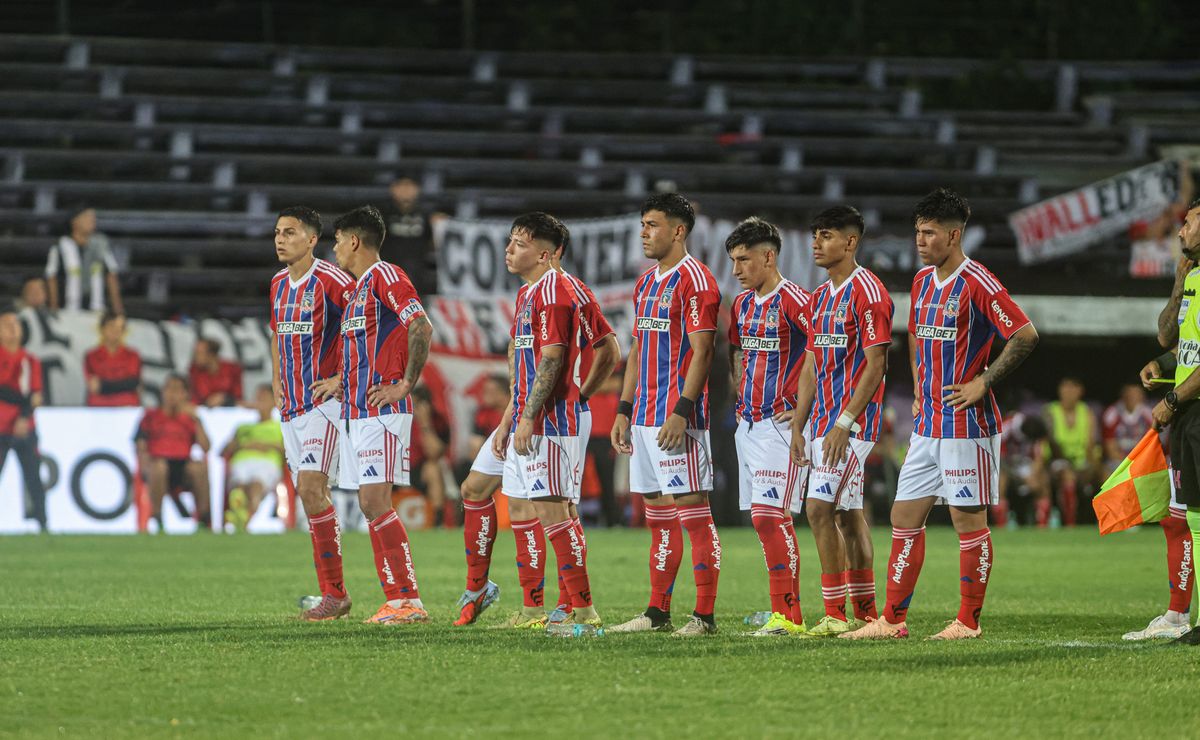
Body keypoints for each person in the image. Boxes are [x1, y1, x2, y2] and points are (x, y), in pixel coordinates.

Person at [843, 188, 1038, 641]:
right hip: (927, 423)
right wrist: (916, 385)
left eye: (929, 233)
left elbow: (1025, 334)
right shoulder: (922, 281)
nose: (920, 240)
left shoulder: (979, 282)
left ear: (953, 235)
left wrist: (983, 382)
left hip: (967, 426)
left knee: (968, 522)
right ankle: (892, 621)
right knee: (902, 517)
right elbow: (913, 335)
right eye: (917, 231)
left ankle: (968, 621)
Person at [455, 213, 618, 629]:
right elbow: (528, 358)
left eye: (519, 244)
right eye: (509, 242)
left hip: (550, 421)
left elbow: (559, 357)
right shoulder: (531, 293)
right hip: (529, 413)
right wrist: (513, 412)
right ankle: (533, 608)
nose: (509, 250)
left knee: (554, 510)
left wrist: (562, 402)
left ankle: (582, 611)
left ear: (546, 253)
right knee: (504, 498)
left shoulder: (557, 293)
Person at [609, 193, 723, 637]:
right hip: (644, 417)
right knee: (658, 519)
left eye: (652, 225)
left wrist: (682, 410)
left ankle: (705, 617)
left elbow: (703, 350)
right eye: (642, 225)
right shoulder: (647, 282)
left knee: (695, 515)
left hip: (678, 419)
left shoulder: (696, 281)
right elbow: (638, 348)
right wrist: (624, 407)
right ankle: (657, 613)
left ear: (679, 231)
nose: (644, 233)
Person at [788, 205, 891, 639]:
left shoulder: (868, 291)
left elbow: (876, 362)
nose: (816, 243)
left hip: (852, 426)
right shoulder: (819, 296)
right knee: (848, 515)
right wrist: (799, 422)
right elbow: (811, 362)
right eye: (814, 235)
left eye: (826, 235)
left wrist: (845, 421)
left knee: (817, 508)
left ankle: (834, 612)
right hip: (824, 423)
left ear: (851, 242)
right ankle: (866, 612)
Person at [330, 204, 434, 626]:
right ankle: (397, 600)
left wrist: (406, 383)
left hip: (382, 410)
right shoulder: (357, 291)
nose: (334, 248)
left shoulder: (385, 276)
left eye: (337, 240)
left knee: (375, 500)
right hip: (358, 412)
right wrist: (340, 382)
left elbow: (420, 325)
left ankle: (407, 600)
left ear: (354, 240)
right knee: (370, 504)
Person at [725, 217, 811, 636]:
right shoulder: (742, 305)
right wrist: (738, 388)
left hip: (781, 425)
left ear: (769, 256)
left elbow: (828, 350)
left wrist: (806, 408)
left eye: (744, 260)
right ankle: (783, 610)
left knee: (769, 516)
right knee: (766, 520)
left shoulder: (795, 299)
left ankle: (788, 615)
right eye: (733, 261)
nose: (737, 269)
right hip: (749, 423)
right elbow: (737, 350)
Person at [269, 205, 356, 620]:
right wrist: (275, 379)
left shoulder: (335, 281)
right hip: (292, 409)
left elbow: (365, 329)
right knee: (311, 496)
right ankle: (333, 593)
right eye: (277, 232)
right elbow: (276, 334)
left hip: (327, 405)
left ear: (311, 240)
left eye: (289, 232)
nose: (280, 239)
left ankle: (336, 595)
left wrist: (342, 378)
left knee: (309, 488)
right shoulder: (276, 285)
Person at [1133, 195, 1200, 644]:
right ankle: (1180, 616)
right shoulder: (1193, 276)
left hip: (1190, 407)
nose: (1180, 231)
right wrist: (1164, 360)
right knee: (1183, 516)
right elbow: (1170, 334)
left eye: (1189, 223)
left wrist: (1172, 400)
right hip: (1189, 413)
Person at [134, 374, 212, 530]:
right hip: (157, 463)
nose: (172, 395)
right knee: (160, 467)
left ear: (185, 394)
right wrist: (143, 463)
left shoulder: (190, 419)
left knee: (199, 468)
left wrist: (197, 420)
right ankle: (158, 519)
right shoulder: (151, 416)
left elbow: (206, 448)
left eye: (177, 390)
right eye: (169, 389)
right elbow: (140, 444)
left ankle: (204, 520)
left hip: (183, 464)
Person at [0, 308, 47, 531]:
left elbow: (36, 395)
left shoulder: (29, 360)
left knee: (33, 477)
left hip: (24, 427)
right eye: (6, 325)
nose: (12, 329)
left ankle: (43, 524)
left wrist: (24, 417)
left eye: (15, 324)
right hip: (0, 427)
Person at [222, 384, 285, 531]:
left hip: (267, 462)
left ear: (274, 401)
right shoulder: (243, 427)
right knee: (239, 486)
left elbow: (290, 452)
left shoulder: (280, 426)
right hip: (241, 461)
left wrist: (267, 445)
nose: (259, 401)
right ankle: (240, 516)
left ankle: (244, 521)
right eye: (258, 397)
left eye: (263, 397)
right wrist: (242, 445)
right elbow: (224, 450)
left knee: (256, 485)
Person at [1044, 377, 1101, 526]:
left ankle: (1107, 520)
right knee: (1067, 475)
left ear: (1080, 391)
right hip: (1057, 461)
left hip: (1081, 462)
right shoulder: (1050, 412)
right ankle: (1070, 523)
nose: (1069, 392)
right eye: (1065, 388)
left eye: (1073, 388)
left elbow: (1090, 444)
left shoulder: (1087, 412)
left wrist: (1093, 468)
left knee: (1105, 473)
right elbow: (1050, 443)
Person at [45, 206, 124, 313]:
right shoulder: (60, 247)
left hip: (97, 309)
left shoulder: (101, 246)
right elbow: (52, 277)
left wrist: (118, 309)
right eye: (87, 217)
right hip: (69, 310)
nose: (92, 221)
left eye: (93, 218)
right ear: (75, 221)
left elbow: (111, 275)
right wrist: (53, 307)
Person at [384, 177, 439, 297]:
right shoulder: (381, 213)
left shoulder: (426, 215)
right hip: (388, 276)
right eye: (402, 186)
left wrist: (441, 228)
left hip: (418, 276)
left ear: (417, 190)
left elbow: (435, 244)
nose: (406, 191)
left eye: (409, 187)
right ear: (393, 189)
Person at [84, 311, 142, 407]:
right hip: (98, 409)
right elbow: (94, 386)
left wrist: (104, 385)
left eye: (120, 328)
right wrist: (123, 385)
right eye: (111, 326)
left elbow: (134, 384)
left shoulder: (133, 355)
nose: (116, 331)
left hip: (127, 408)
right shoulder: (91, 356)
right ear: (102, 328)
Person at [1102, 383, 1155, 474]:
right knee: (1105, 473)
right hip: (1118, 461)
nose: (1132, 398)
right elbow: (1110, 449)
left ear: (1142, 396)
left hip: (1141, 460)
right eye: (1129, 394)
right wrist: (1127, 465)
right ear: (1123, 395)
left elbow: (1151, 445)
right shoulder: (1111, 414)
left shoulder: (1149, 414)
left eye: (1135, 394)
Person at [189, 338, 243, 407]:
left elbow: (238, 397)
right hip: (205, 411)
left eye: (199, 353)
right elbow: (194, 398)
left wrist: (224, 398)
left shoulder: (232, 369)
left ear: (211, 354)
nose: (195, 357)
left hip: (230, 410)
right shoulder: (194, 371)